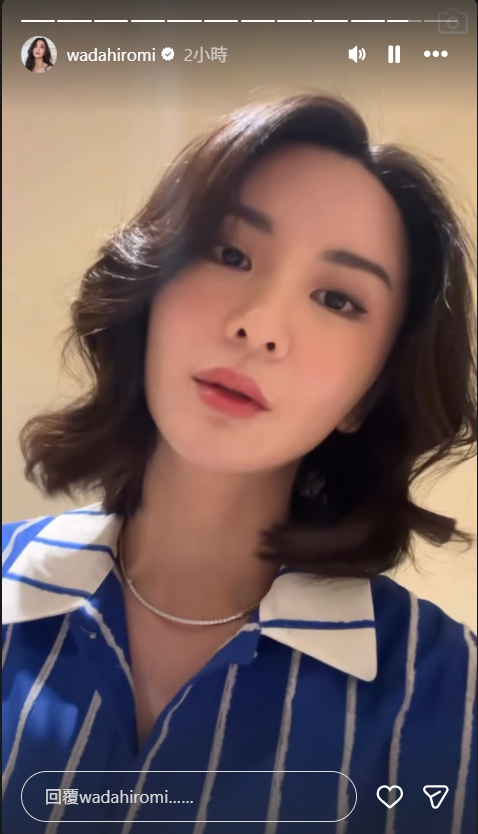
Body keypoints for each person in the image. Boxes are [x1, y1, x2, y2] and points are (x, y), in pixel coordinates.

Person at [2, 94, 477, 834]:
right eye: (230, 254)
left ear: (368, 394)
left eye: (336, 299)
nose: (258, 325)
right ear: (151, 289)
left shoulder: (450, 693)